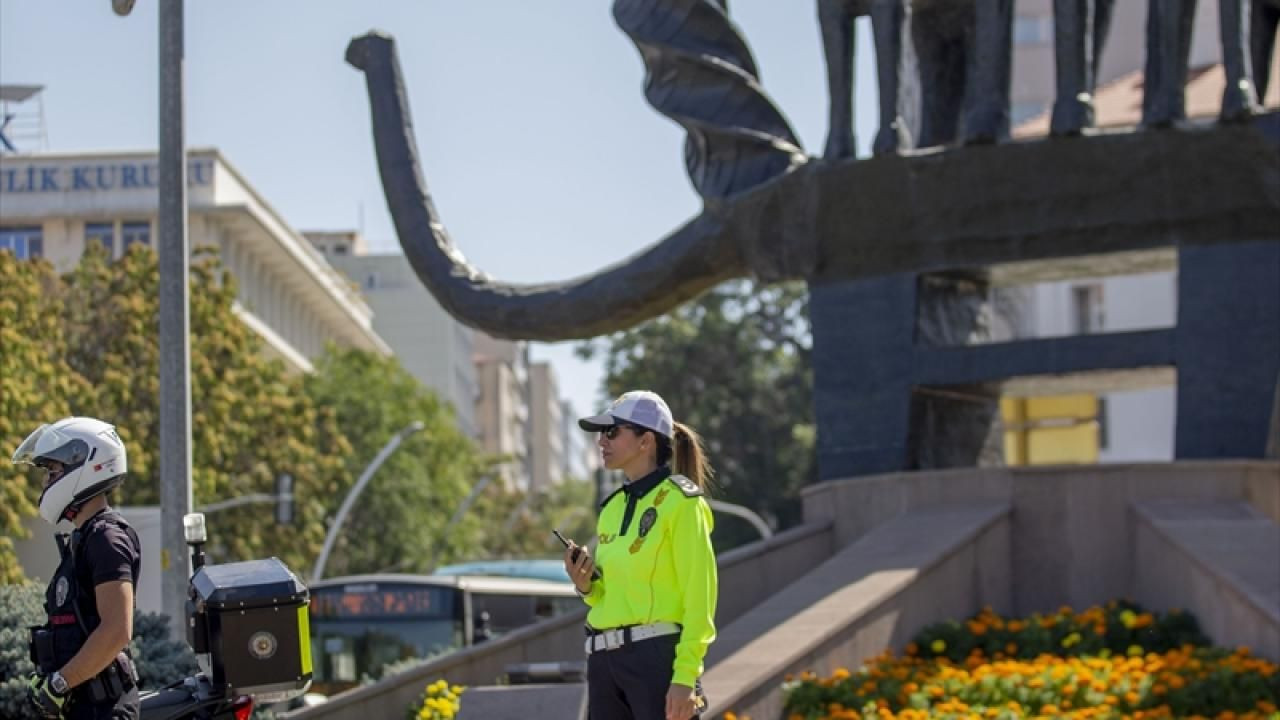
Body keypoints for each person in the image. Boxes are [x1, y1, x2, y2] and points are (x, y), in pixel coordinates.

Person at [565, 390, 717, 720]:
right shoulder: (611, 508)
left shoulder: (682, 503)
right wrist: (586, 586)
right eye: (601, 433)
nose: (601, 441)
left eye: (612, 432)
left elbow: (700, 595)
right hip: (603, 662)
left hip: (656, 658)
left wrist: (685, 676)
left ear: (645, 440)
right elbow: (608, 597)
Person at [13, 417, 141, 720]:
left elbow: (116, 630)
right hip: (85, 707)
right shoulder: (85, 538)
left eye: (52, 471)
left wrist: (59, 684)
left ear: (85, 465)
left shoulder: (107, 539)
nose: (47, 482)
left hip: (104, 710)